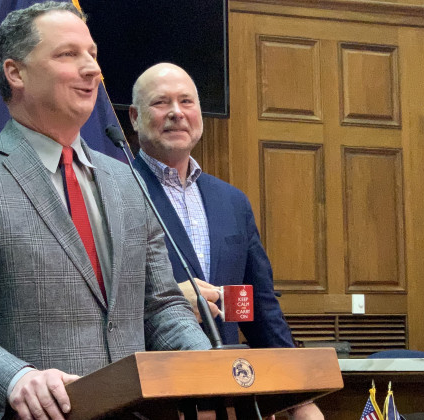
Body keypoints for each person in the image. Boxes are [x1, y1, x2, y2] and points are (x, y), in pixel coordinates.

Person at [0, 5, 210, 420]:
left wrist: (211, 369)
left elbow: (161, 307)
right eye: (68, 54)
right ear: (16, 73)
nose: (92, 69)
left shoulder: (129, 181)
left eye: (92, 54)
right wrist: (17, 379)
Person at [129, 63, 324, 420]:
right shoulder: (116, 190)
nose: (176, 112)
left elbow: (260, 306)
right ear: (134, 118)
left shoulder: (232, 201)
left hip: (231, 395)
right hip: (154, 398)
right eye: (161, 103)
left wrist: (300, 397)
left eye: (186, 101)